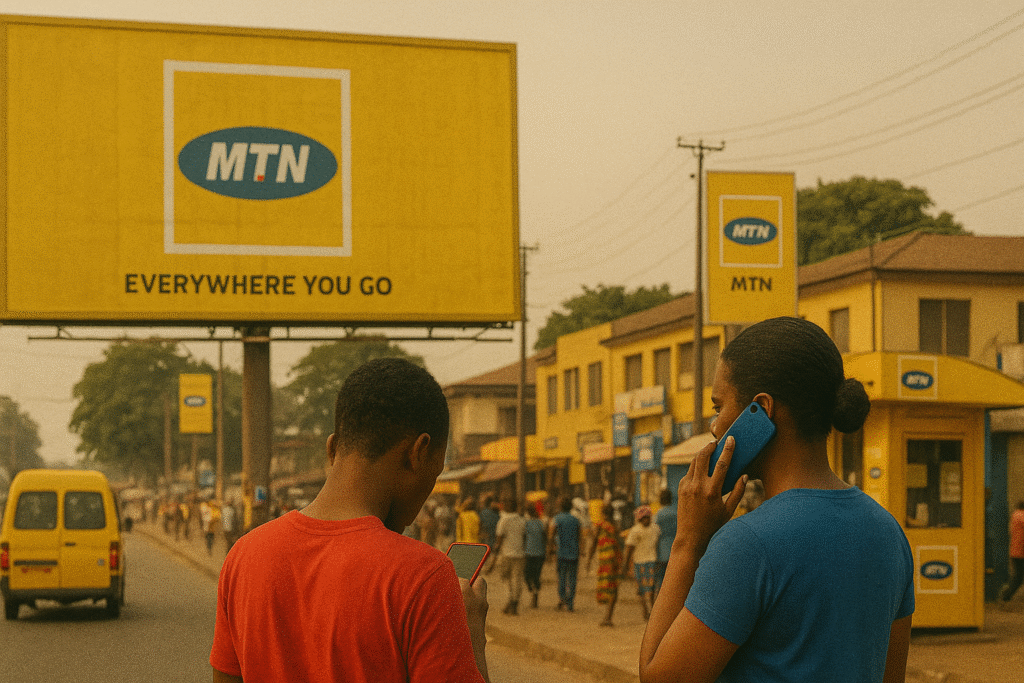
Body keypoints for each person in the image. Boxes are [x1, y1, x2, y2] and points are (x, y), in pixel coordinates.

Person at [639, 317, 914, 683]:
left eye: (718, 407)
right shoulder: (889, 532)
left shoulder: (746, 545)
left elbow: (659, 679)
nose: (714, 426)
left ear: (761, 410)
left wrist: (688, 542)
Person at [210, 358, 491, 683]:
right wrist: (472, 638)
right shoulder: (425, 577)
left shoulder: (243, 558)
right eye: (436, 472)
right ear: (419, 452)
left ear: (332, 449)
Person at [587, 503, 622, 627]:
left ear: (603, 513)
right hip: (615, 560)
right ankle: (608, 616)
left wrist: (589, 560)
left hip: (606, 561)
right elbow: (618, 544)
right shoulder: (614, 527)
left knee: (608, 588)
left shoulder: (601, 526)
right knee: (613, 588)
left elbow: (594, 543)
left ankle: (607, 617)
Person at [623, 506, 660, 620]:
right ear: (639, 519)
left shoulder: (654, 529)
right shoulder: (637, 530)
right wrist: (625, 565)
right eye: (643, 518)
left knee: (650, 589)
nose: (646, 520)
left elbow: (629, 548)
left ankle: (651, 611)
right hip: (640, 562)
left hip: (650, 561)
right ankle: (645, 610)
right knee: (643, 589)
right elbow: (629, 548)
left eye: (647, 518)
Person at [493, 498, 527, 615]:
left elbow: (499, 540)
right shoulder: (522, 520)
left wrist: (494, 558)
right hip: (520, 554)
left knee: (506, 579)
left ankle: (510, 601)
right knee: (517, 579)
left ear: (507, 507)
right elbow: (524, 537)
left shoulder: (503, 521)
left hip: (506, 554)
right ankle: (514, 602)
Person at [550, 496, 582, 612]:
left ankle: (562, 599)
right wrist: (581, 550)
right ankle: (570, 603)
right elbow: (579, 536)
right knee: (572, 579)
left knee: (562, 577)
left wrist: (550, 548)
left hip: (561, 553)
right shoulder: (575, 520)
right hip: (574, 553)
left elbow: (551, 534)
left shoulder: (557, 519)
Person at [653, 489, 676, 599]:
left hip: (662, 551)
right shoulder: (677, 512)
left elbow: (656, 534)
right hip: (675, 550)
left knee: (661, 580)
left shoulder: (659, 514)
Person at [523, 504, 547, 608]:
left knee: (529, 575)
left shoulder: (529, 523)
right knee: (533, 575)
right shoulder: (538, 523)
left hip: (532, 553)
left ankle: (534, 595)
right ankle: (534, 592)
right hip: (537, 553)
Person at [1001, 500, 1024, 602]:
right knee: (1018, 577)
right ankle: (1006, 595)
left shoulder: (1015, 515)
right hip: (1020, 551)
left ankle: (1006, 594)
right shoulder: (1021, 516)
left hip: (1015, 551)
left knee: (1018, 575)